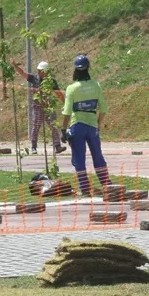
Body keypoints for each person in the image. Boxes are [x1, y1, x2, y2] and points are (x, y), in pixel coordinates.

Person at [60, 54, 110, 196]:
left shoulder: (72, 88)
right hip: (92, 126)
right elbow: (104, 109)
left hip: (77, 126)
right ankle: (107, 185)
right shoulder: (96, 85)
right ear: (88, 67)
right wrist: (98, 125)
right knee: (98, 156)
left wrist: (63, 129)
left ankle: (85, 188)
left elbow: (67, 111)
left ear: (75, 69)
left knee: (79, 158)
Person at [10, 59, 65, 155]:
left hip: (49, 106)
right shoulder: (34, 78)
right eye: (38, 70)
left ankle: (57, 146)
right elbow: (22, 73)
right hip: (37, 107)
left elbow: (59, 94)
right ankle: (33, 147)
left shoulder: (52, 81)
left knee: (54, 126)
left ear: (46, 71)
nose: (39, 72)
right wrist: (15, 65)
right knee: (36, 127)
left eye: (41, 70)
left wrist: (65, 103)